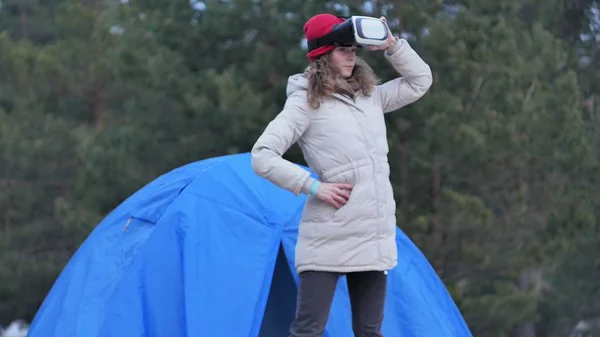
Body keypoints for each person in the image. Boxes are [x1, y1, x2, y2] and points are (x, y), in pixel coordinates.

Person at [251, 13, 433, 337]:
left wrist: (392, 46)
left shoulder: (370, 96)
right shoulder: (305, 102)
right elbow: (262, 156)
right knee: (308, 331)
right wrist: (312, 187)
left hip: (373, 236)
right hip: (328, 236)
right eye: (341, 49)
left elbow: (420, 80)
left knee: (369, 334)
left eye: (353, 49)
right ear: (322, 54)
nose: (351, 55)